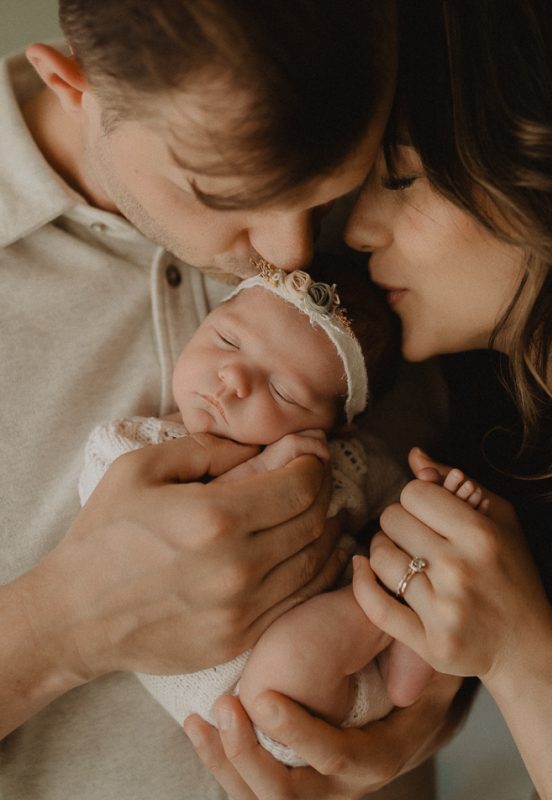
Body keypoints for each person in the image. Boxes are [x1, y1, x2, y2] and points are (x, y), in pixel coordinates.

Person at [0, 2, 461, 800]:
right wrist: (61, 627)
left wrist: (421, 717)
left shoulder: (410, 187)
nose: (289, 255)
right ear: (71, 83)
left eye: (327, 193)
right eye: (225, 193)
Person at [185, 2, 552, 798]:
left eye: (402, 177)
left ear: (550, 156)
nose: (359, 231)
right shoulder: (516, 440)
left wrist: (522, 661)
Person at [78, 255, 448, 766]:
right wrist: (258, 471)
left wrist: (429, 499)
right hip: (269, 705)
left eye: (283, 391)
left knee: (415, 556)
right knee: (294, 657)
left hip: (342, 667)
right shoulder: (138, 446)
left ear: (336, 427)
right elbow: (122, 520)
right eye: (226, 341)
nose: (232, 378)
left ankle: (406, 651)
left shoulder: (343, 461)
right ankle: (394, 636)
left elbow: (395, 499)